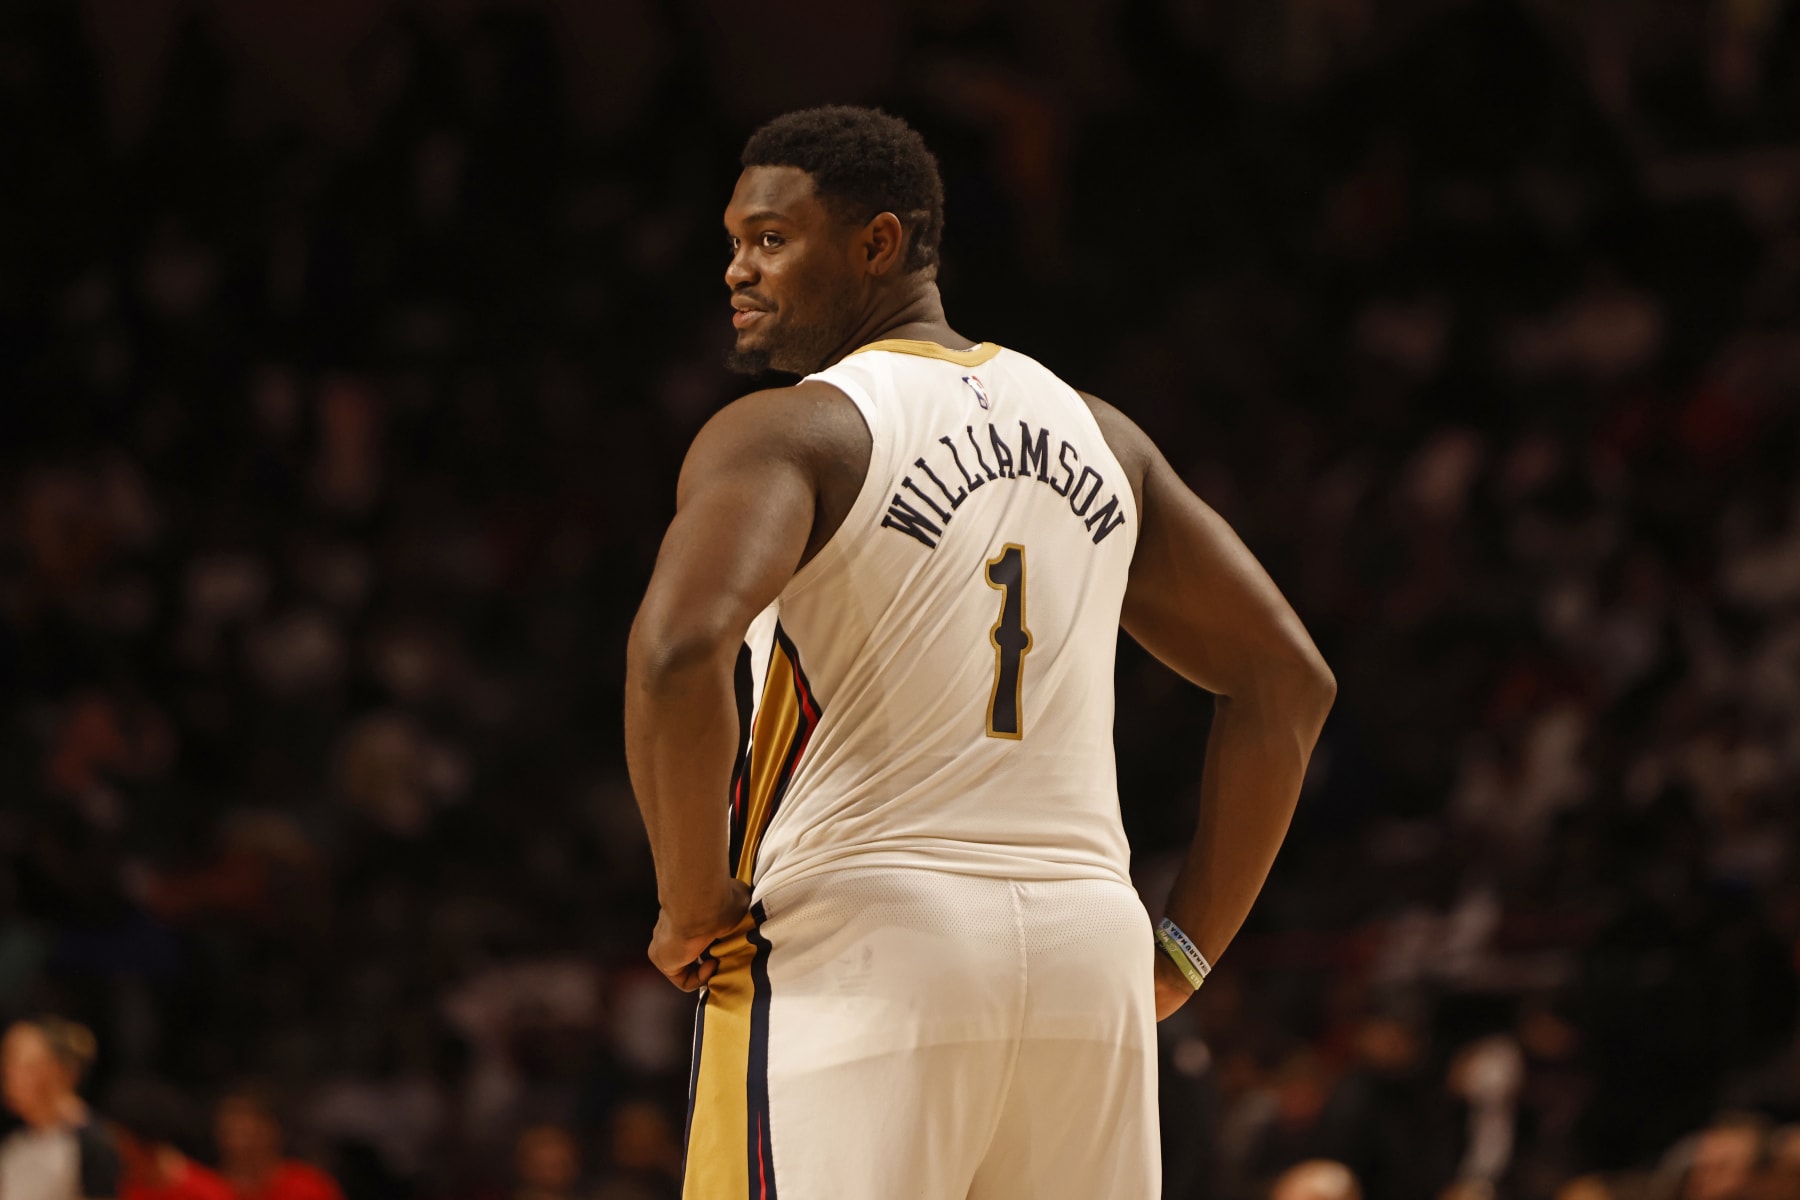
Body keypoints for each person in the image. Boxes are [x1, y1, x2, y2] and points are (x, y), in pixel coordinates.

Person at [625, 105, 1335, 1198]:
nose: (736, 269)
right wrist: (1185, 949)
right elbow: (1288, 678)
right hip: (1087, 958)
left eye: (770, 240)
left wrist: (691, 902)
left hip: (863, 943)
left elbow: (677, 653)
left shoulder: (796, 429)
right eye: (734, 241)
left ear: (879, 243)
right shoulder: (1102, 434)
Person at [0, 1016, 121, 1200]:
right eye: (7, 1064)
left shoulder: (94, 1143)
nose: (9, 1076)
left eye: (24, 1065)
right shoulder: (14, 1140)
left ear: (61, 1072)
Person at [212, 1086, 342, 1200]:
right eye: (230, 1127)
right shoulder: (202, 1188)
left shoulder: (310, 1187)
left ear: (273, 1130)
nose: (238, 1133)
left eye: (248, 1127)